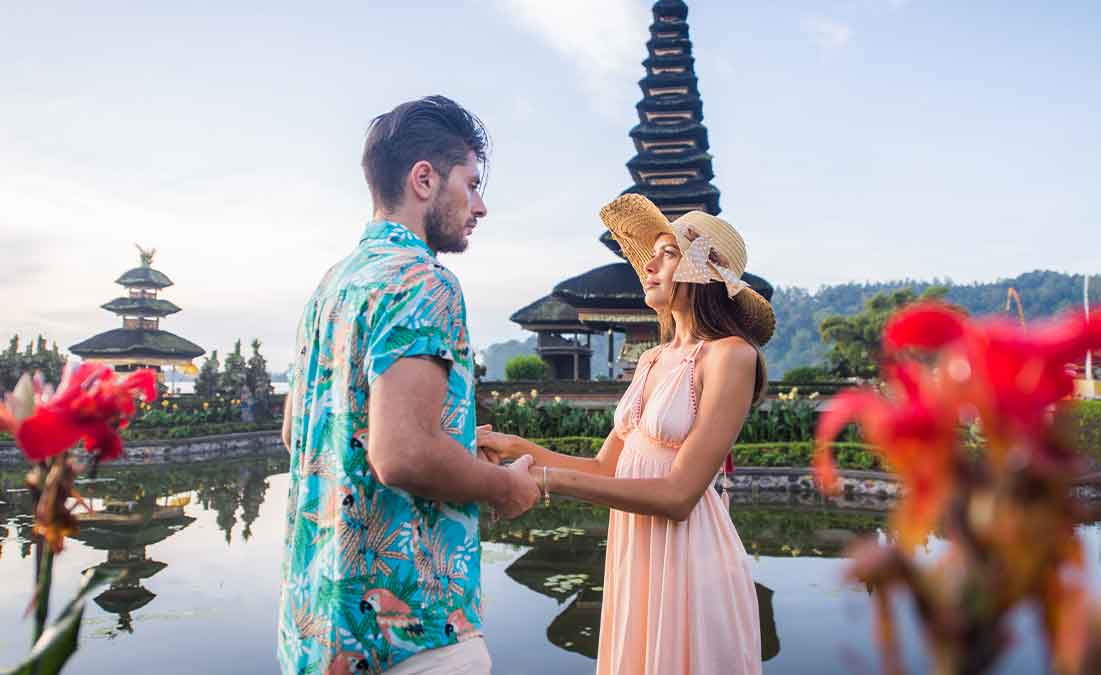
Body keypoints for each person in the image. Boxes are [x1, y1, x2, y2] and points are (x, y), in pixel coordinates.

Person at [277, 96, 541, 675]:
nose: (480, 206)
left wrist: (455, 448)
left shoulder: (330, 289)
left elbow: (300, 433)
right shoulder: (424, 281)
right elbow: (402, 454)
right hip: (414, 637)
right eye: (471, 184)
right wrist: (504, 487)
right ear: (425, 179)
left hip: (317, 634)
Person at [479, 194, 772, 675]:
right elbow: (605, 467)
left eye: (668, 254)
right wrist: (515, 447)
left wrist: (546, 479)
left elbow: (679, 495)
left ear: (704, 273)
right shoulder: (653, 359)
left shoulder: (730, 355)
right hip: (636, 553)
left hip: (690, 559)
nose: (649, 267)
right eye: (652, 255)